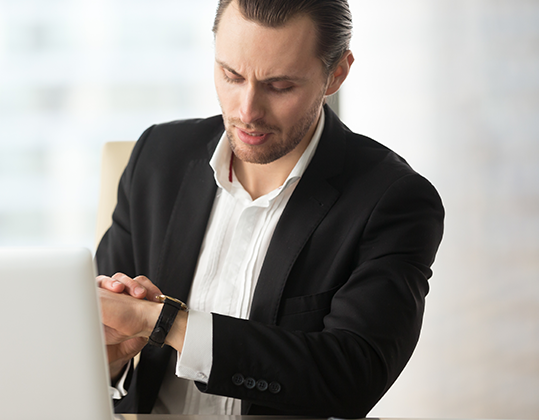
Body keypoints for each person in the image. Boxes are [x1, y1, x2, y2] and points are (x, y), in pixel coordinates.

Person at [95, 0, 444, 417]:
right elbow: (101, 339)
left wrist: (164, 323)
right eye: (231, 75)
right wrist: (111, 352)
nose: (247, 112)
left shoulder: (393, 200)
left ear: (336, 73)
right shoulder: (157, 158)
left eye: (279, 86)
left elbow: (353, 375)